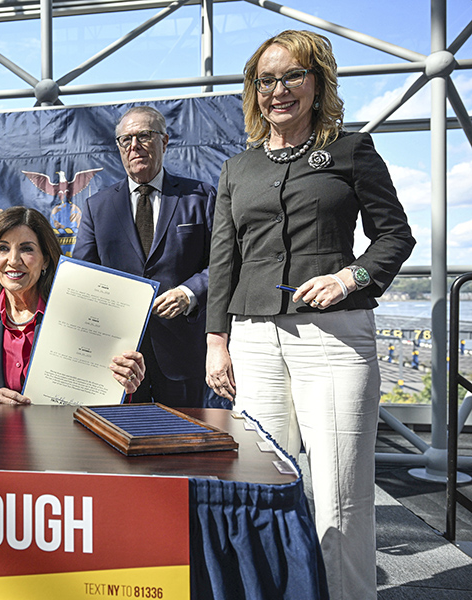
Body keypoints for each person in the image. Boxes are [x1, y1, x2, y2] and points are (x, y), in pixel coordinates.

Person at [204, 30, 415, 600]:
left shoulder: (351, 151)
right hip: (251, 340)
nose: (279, 89)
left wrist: (351, 277)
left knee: (342, 491)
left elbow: (395, 237)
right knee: (260, 486)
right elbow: (223, 260)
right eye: (266, 80)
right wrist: (216, 341)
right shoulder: (236, 169)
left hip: (336, 340)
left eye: (293, 75)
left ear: (318, 82)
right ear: (254, 91)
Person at [72, 106, 217, 408]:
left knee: (182, 443)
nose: (134, 146)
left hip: (182, 354)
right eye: (126, 140)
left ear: (164, 141)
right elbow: (84, 278)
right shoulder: (97, 207)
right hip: (121, 360)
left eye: (144, 136)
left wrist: (189, 292)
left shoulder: (200, 197)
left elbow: (222, 263)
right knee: (123, 445)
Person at [0, 206, 145, 404]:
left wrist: (122, 382)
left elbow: (99, 391)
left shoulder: (76, 316)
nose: (13, 260)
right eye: (3, 248)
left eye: (26, 249)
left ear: (45, 260)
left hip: (61, 434)